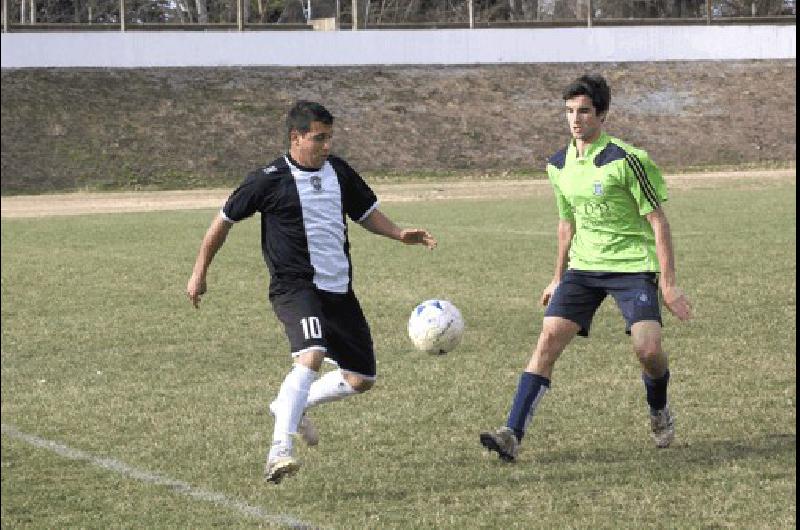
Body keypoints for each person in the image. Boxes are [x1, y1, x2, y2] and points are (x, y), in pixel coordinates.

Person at [186, 101, 437, 483]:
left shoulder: (338, 171)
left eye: (330, 138)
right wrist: (199, 272)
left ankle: (292, 404)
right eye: (319, 138)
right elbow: (223, 222)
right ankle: (279, 450)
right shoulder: (267, 179)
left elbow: (365, 211)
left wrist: (399, 233)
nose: (326, 146)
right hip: (295, 286)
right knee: (312, 353)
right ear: (296, 137)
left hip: (339, 290)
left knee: (361, 378)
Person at [479, 74, 692, 462]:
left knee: (648, 349)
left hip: (631, 267)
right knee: (548, 338)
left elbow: (658, 222)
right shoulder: (558, 165)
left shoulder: (628, 160)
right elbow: (566, 223)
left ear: (602, 114)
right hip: (584, 268)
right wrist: (558, 277)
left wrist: (670, 285)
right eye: (569, 112)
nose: (575, 119)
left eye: (584, 111)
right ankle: (511, 434)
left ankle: (658, 409)